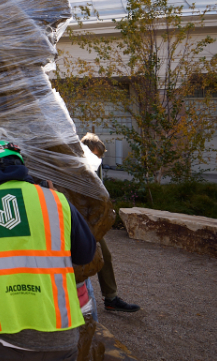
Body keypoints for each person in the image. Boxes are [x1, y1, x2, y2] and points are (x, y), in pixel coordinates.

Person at [0, 141, 96, 360]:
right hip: (62, 334)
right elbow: (86, 254)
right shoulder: (57, 201)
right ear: (22, 168)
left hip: (8, 337)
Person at [81, 133, 140, 313]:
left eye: (100, 156)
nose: (98, 159)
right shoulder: (73, 167)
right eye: (96, 155)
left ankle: (111, 297)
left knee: (104, 255)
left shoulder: (91, 167)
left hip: (89, 222)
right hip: (75, 219)